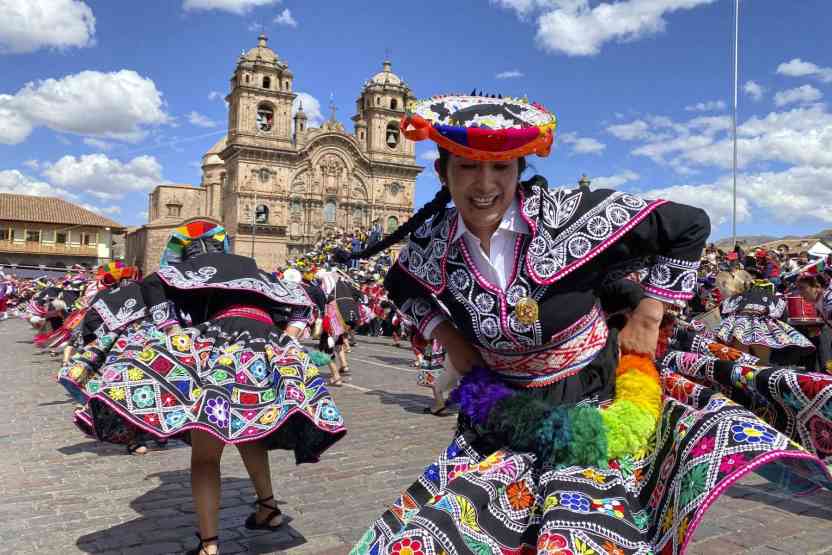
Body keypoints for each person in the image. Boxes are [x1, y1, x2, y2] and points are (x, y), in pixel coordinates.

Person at [336, 92, 831, 554]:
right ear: (443, 173)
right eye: (467, 167)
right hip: (497, 413)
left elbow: (688, 224)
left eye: (501, 167)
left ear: (518, 168)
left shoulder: (571, 216)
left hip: (591, 400)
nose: (485, 185)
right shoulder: (431, 243)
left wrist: (651, 310)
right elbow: (402, 286)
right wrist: (446, 337)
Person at [66, 219, 346, 555]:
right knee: (249, 431)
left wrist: (172, 332)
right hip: (266, 347)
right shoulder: (256, 271)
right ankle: (268, 510)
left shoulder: (183, 271)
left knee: (205, 456)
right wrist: (288, 338)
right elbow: (304, 301)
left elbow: (153, 284)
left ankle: (209, 546)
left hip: (221, 346)